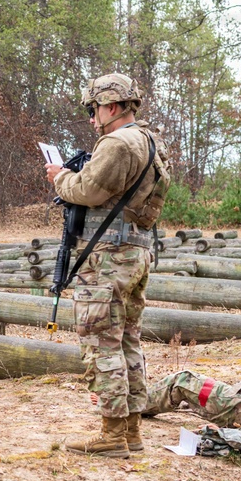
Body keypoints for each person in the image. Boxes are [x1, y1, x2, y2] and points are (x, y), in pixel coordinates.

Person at [45, 73, 171, 458]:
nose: (91, 118)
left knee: (101, 342)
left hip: (109, 258)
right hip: (134, 252)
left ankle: (113, 433)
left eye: (94, 109)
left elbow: (88, 191)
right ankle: (131, 429)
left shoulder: (117, 143)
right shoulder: (149, 140)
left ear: (112, 107)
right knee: (127, 339)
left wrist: (60, 177)